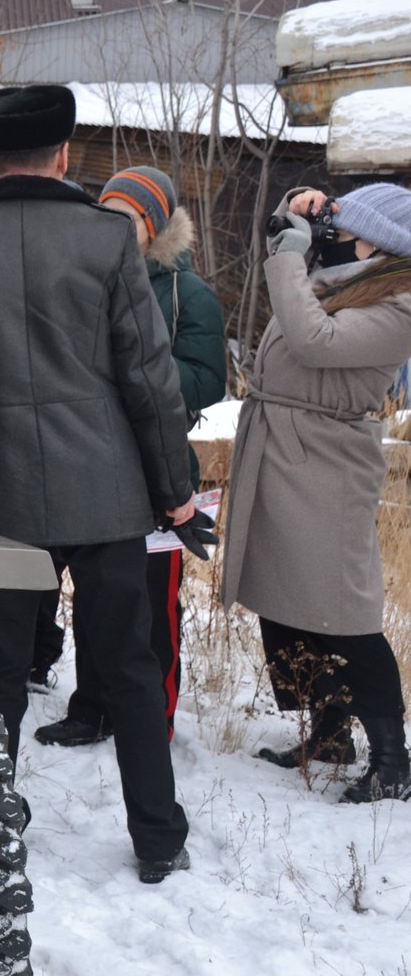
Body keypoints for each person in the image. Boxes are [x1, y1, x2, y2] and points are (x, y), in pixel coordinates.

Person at [0, 84, 200, 882]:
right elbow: (149, 377)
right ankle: (159, 836)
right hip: (106, 490)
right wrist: (176, 487)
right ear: (63, 156)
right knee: (128, 665)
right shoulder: (108, 240)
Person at [222, 183, 411, 803]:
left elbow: (314, 341)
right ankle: (328, 730)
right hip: (281, 441)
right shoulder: (346, 277)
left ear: (381, 242)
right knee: (285, 595)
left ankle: (393, 758)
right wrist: (290, 219)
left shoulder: (402, 300)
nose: (332, 236)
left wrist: (290, 255)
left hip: (328, 457)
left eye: (343, 226)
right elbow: (292, 279)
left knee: (341, 606)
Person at [36, 166, 228, 747]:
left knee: (150, 608)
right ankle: (92, 708)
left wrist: (137, 375)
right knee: (99, 599)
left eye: (129, 219)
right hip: (91, 463)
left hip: (157, 468)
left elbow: (206, 379)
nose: (114, 229)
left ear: (155, 227)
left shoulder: (187, 295)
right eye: (108, 214)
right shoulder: (80, 276)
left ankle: (153, 718)